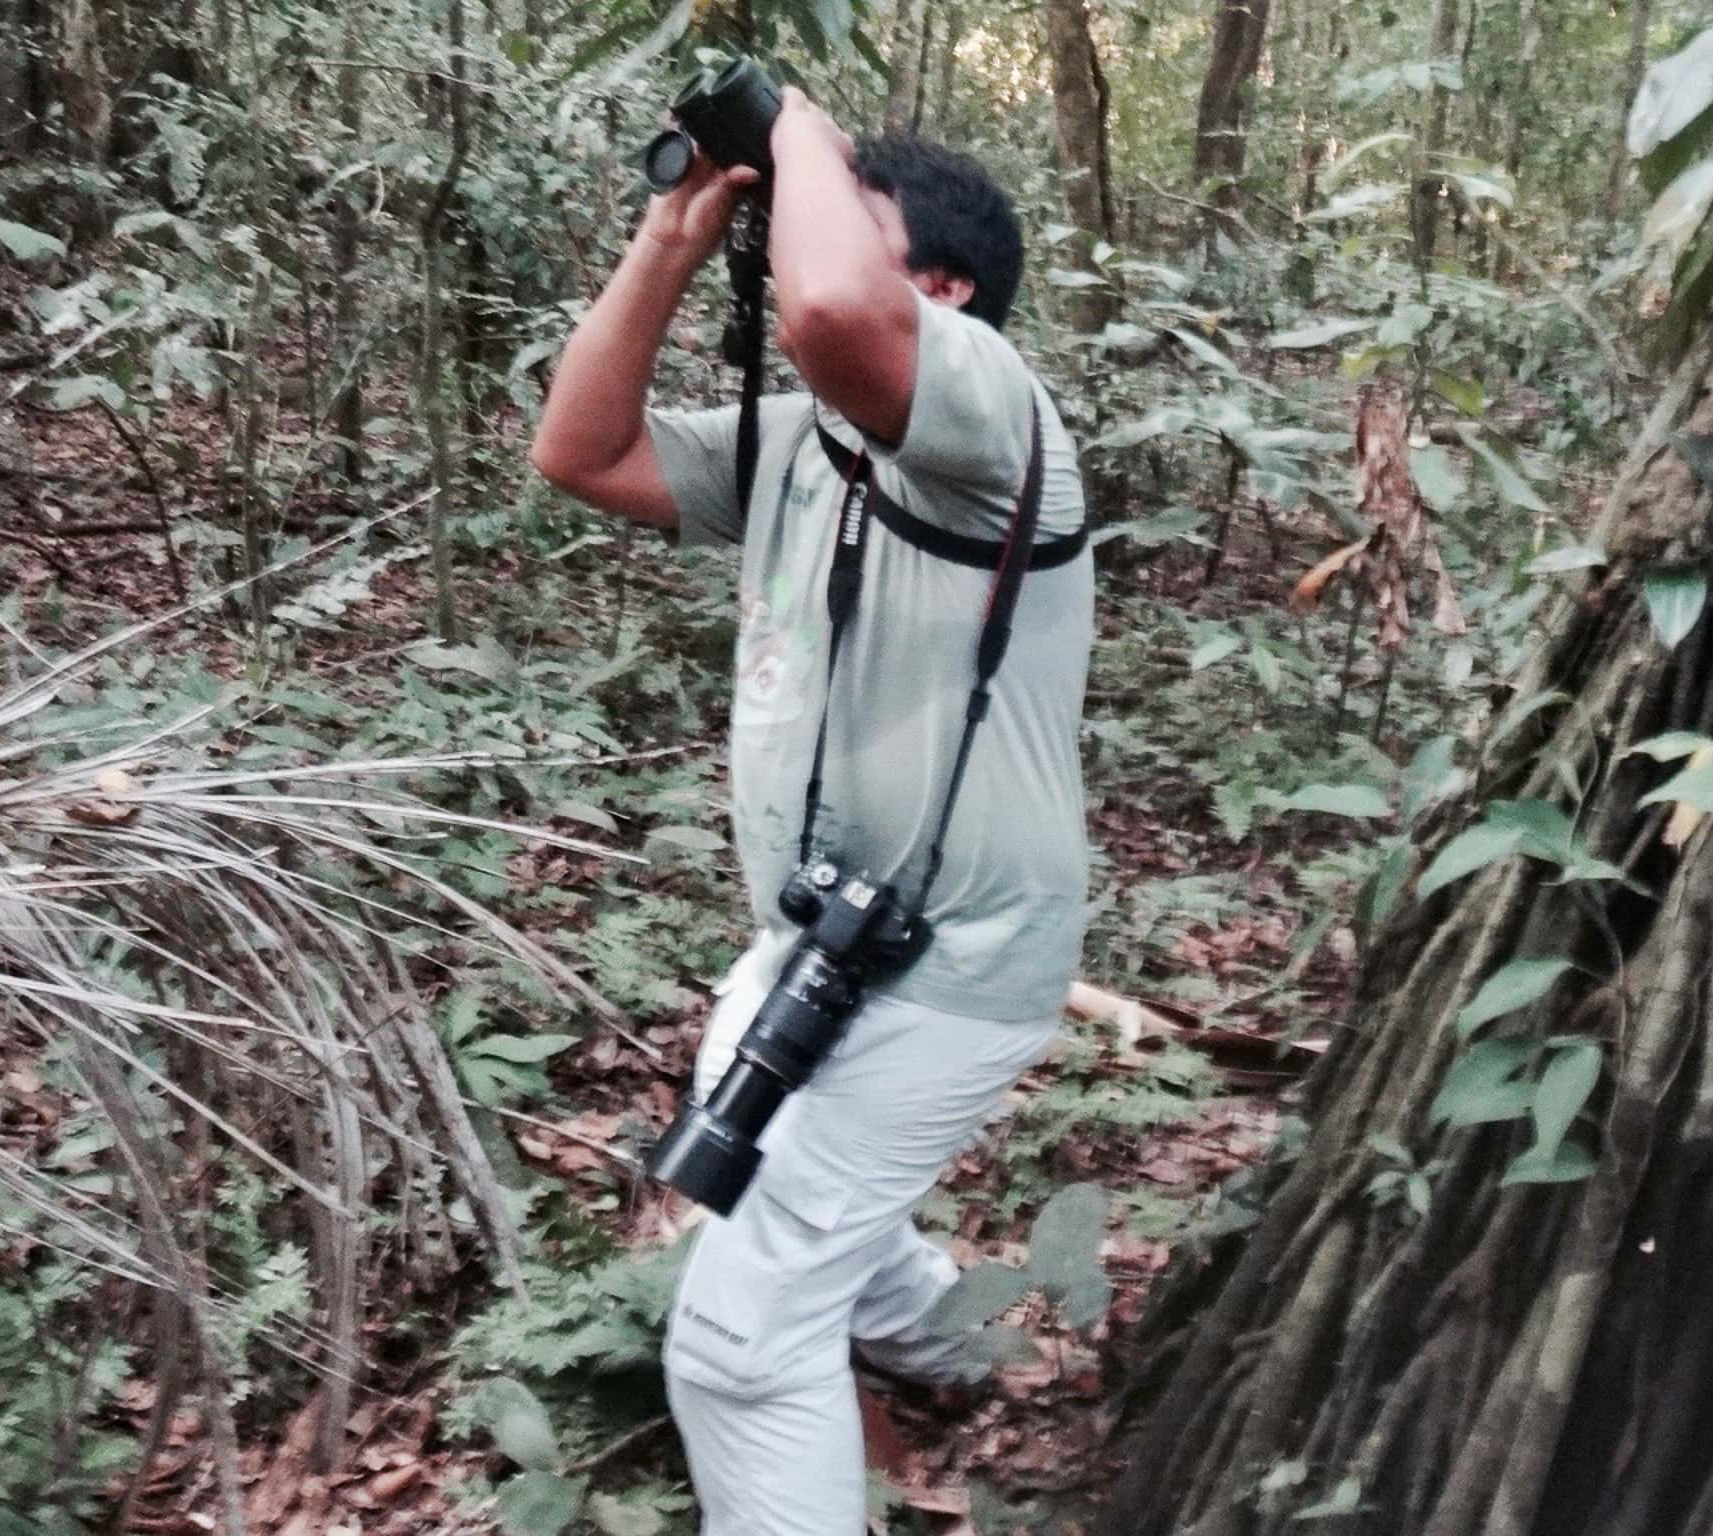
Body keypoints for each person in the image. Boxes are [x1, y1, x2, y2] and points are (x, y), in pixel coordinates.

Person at [529, 82, 1092, 1536]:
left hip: (954, 964)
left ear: (947, 292)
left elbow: (839, 315)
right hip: (822, 940)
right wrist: (671, 239)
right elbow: (580, 452)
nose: (793, 254)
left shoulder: (988, 411)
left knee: (734, 1339)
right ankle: (962, 1347)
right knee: (762, 1158)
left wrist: (805, 130)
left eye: (834, 223)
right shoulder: (800, 442)